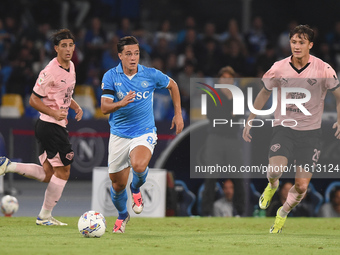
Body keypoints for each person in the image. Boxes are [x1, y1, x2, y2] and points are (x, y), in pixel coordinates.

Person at [242, 24, 340, 233]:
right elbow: (264, 93)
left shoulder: (323, 69)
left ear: (310, 45)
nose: (296, 46)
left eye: (301, 42)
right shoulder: (278, 68)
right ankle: (272, 185)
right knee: (275, 171)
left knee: (302, 186)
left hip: (312, 133)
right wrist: (250, 118)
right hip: (284, 128)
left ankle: (282, 213)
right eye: (293, 42)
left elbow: (338, 96)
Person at [101, 36, 184, 233]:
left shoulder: (150, 74)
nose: (133, 58)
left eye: (136, 53)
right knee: (117, 184)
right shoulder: (111, 76)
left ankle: (136, 189)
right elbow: (104, 107)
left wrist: (178, 114)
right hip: (119, 134)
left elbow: (173, 85)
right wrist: (120, 103)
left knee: (138, 165)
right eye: (128, 54)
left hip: (144, 131)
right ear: (120, 55)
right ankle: (122, 215)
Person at [0, 28, 83, 225]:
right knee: (64, 172)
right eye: (64, 45)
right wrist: (54, 113)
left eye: (71, 45)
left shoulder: (71, 66)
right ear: (56, 48)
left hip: (54, 125)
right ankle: (45, 216)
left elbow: (64, 93)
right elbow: (33, 100)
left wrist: (75, 105)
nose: (68, 49)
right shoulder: (50, 71)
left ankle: (8, 165)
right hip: (50, 125)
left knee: (48, 174)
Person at [201, 66, 245, 217]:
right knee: (210, 177)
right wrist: (229, 115)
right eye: (224, 78)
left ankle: (239, 212)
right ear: (219, 80)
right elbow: (212, 117)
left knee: (238, 177)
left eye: (230, 79)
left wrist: (227, 114)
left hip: (232, 140)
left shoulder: (238, 96)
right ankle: (206, 212)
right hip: (215, 139)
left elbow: (238, 116)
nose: (227, 81)